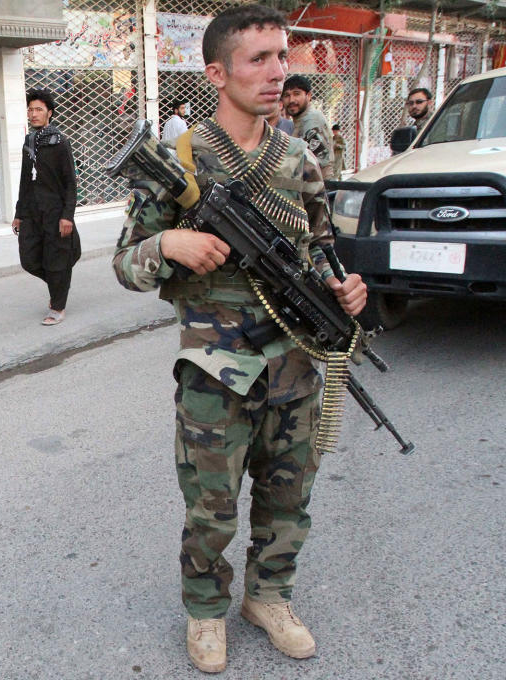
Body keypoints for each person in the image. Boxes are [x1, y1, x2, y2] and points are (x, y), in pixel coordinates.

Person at [112, 4, 366, 673]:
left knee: (289, 498)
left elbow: (319, 252)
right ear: (218, 72)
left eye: (283, 56)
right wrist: (169, 241)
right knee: (211, 507)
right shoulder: (179, 159)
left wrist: (345, 293)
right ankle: (205, 611)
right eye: (260, 59)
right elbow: (125, 263)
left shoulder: (300, 158)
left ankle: (269, 597)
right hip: (214, 369)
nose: (278, 72)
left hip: (295, 365)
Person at [12, 88, 80, 326]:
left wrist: (67, 216)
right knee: (29, 259)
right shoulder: (29, 142)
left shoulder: (60, 142)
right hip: (32, 212)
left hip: (55, 212)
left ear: (49, 113)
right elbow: (23, 179)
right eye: (30, 110)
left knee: (56, 260)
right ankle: (58, 282)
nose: (33, 114)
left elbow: (71, 182)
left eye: (38, 109)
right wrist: (19, 214)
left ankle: (58, 307)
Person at [282, 74, 335, 179]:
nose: (291, 100)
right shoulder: (300, 120)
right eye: (287, 95)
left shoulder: (310, 121)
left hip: (318, 187)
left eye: (296, 94)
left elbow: (319, 162)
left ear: (309, 96)